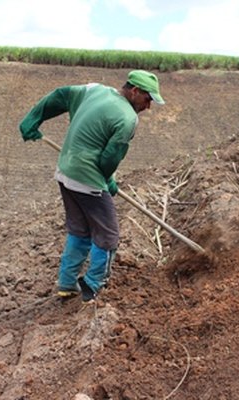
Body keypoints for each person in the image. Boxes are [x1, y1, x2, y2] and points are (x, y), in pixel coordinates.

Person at [19, 70, 165, 303]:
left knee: (80, 230)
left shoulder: (95, 90)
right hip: (88, 180)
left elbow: (61, 95)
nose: (148, 106)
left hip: (65, 173)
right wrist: (107, 179)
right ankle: (94, 285)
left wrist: (34, 117)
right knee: (108, 235)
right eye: (148, 99)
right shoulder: (128, 119)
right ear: (135, 91)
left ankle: (67, 284)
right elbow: (109, 159)